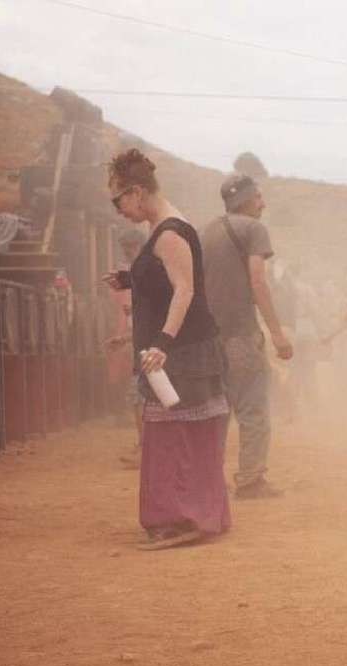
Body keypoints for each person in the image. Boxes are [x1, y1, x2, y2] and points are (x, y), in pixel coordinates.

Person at [104, 148, 230, 550]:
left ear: (137, 192)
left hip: (182, 354)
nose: (119, 210)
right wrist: (131, 279)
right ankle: (190, 514)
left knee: (178, 437)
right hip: (180, 352)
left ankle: (184, 518)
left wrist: (162, 342)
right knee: (176, 435)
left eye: (118, 201)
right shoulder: (162, 228)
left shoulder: (170, 231)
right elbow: (168, 278)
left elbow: (185, 289)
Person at [200, 173, 292, 499]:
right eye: (258, 197)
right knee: (253, 408)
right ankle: (251, 480)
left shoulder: (206, 232)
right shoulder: (253, 229)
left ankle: (209, 481)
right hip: (241, 336)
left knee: (216, 411)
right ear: (245, 200)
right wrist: (278, 335)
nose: (263, 204)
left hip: (208, 340)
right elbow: (258, 282)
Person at [104, 229, 147, 467]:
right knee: (139, 400)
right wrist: (122, 339)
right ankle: (144, 446)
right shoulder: (141, 273)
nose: (127, 252)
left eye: (130, 247)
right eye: (125, 248)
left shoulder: (146, 272)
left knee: (140, 400)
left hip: (149, 351)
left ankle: (145, 449)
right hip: (143, 348)